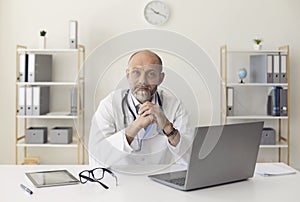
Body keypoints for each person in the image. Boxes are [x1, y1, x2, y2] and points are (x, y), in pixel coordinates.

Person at [88, 50, 192, 167]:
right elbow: (96, 159)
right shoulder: (109, 105)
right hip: (119, 180)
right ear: (128, 75)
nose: (143, 81)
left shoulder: (175, 106)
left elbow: (189, 160)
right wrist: (135, 127)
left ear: (161, 78)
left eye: (151, 74)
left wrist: (167, 127)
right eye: (136, 72)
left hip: (160, 181)